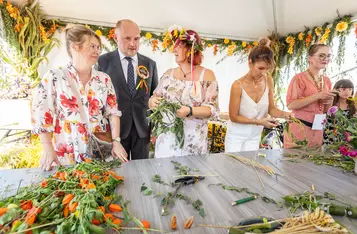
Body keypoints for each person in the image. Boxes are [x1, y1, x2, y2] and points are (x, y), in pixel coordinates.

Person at [32, 24, 127, 170]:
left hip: (100, 148)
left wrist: (116, 141)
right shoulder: (54, 77)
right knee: (72, 188)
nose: (97, 51)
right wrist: (48, 149)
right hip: (67, 148)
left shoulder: (104, 79)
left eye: (98, 47)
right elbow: (42, 115)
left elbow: (113, 112)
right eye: (92, 46)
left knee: (102, 187)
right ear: (75, 47)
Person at [148, 27, 219, 158]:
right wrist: (152, 102)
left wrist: (190, 111)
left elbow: (213, 109)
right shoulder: (169, 74)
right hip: (167, 140)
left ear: (191, 49)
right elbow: (153, 99)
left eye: (178, 47)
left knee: (189, 175)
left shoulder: (207, 75)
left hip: (193, 141)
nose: (173, 50)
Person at [98, 19, 158, 160]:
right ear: (115, 38)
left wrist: (155, 129)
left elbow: (154, 98)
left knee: (142, 172)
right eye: (127, 38)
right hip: (115, 132)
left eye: (136, 39)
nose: (133, 44)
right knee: (118, 172)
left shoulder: (150, 64)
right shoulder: (102, 62)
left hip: (142, 130)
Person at [224, 38, 291, 152]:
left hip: (255, 137)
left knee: (250, 167)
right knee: (234, 167)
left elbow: (271, 109)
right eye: (260, 68)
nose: (263, 72)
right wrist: (258, 122)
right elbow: (233, 117)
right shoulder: (237, 85)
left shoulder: (268, 80)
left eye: (267, 69)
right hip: (236, 136)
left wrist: (285, 114)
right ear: (250, 62)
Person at [284, 44, 336, 148]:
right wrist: (317, 96)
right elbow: (290, 105)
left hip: (318, 128)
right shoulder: (299, 78)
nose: (326, 59)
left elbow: (325, 110)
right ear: (310, 58)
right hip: (299, 127)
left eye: (328, 56)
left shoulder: (327, 81)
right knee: (295, 162)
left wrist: (330, 100)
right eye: (321, 55)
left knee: (314, 162)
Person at [323, 79, 356, 145]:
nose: (347, 92)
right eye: (343, 89)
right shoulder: (331, 103)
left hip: (347, 138)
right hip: (331, 136)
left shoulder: (353, 104)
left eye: (350, 89)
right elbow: (325, 113)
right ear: (336, 89)